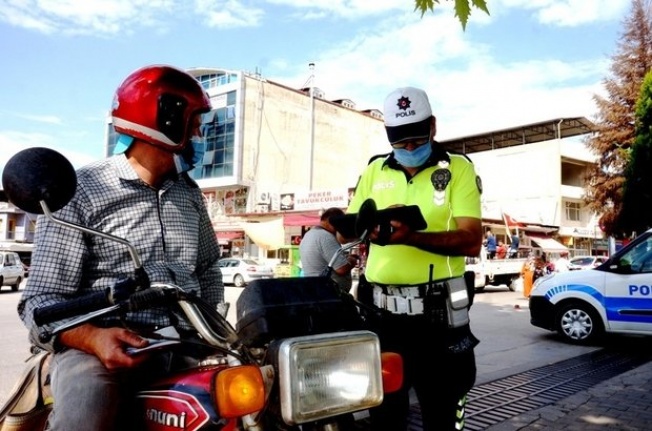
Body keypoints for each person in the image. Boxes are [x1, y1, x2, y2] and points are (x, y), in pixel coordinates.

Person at [17, 65, 224, 431]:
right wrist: (92, 337)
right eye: (193, 121)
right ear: (165, 120)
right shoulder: (81, 190)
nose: (198, 132)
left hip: (186, 343)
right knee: (88, 412)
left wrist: (216, 334)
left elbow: (207, 268)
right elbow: (40, 302)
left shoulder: (189, 195)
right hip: (101, 349)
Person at [345, 86, 482, 430]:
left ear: (433, 126)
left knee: (441, 413)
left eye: (416, 139)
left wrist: (413, 237)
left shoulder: (458, 168)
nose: (408, 148)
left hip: (438, 321)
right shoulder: (375, 170)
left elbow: (472, 241)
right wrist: (362, 229)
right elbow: (351, 229)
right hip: (382, 319)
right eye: (399, 141)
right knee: (385, 416)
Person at [300, 207, 356, 291]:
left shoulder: (309, 234)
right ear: (332, 221)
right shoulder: (326, 237)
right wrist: (352, 261)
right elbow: (341, 269)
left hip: (316, 288)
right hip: (329, 292)